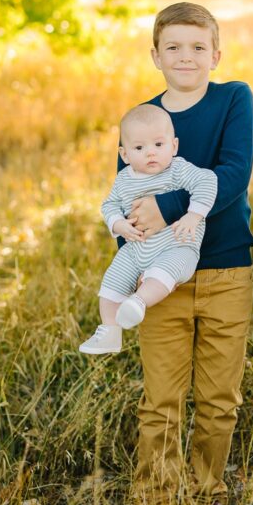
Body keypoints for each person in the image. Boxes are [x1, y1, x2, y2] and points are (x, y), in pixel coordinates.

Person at [119, 2, 253, 505]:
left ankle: (208, 494)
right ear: (155, 55)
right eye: (173, 46)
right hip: (159, 278)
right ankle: (155, 502)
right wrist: (131, 263)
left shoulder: (233, 99)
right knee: (161, 399)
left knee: (220, 396)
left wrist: (168, 207)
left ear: (216, 54)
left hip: (224, 270)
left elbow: (234, 173)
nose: (186, 56)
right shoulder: (142, 119)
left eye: (199, 47)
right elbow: (128, 195)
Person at [79, 104, 217, 354]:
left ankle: (139, 302)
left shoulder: (178, 170)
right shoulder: (124, 180)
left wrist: (193, 216)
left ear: (173, 146)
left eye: (158, 145)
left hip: (176, 244)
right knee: (112, 281)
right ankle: (110, 330)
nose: (150, 154)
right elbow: (109, 204)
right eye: (140, 148)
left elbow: (207, 180)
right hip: (136, 249)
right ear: (125, 155)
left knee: (165, 270)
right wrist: (118, 223)